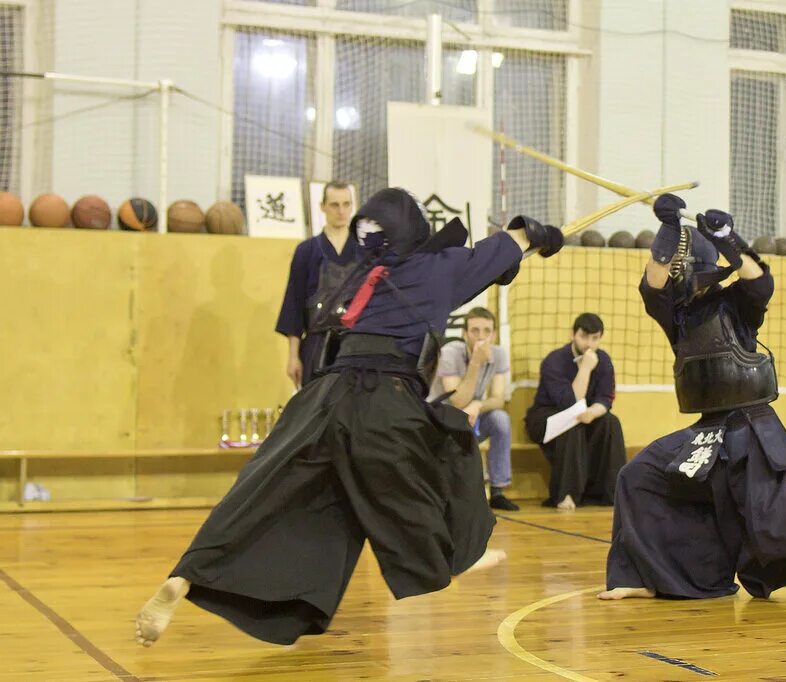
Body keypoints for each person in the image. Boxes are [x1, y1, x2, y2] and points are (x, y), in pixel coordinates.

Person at [134, 188, 564, 647]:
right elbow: (514, 239)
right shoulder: (440, 269)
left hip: (323, 396)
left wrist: (507, 260)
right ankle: (454, 554)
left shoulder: (366, 273)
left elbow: (461, 275)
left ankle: (187, 574)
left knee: (276, 495)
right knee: (440, 452)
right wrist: (540, 236)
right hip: (384, 396)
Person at [599, 194, 786, 607]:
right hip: (707, 432)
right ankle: (649, 577)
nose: (677, 277)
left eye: (684, 270)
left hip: (750, 429)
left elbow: (759, 280)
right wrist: (667, 229)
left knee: (778, 520)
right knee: (640, 478)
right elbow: (654, 282)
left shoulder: (736, 305)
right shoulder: (677, 316)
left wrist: (725, 237)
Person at [525, 313, 626, 511]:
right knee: (572, 424)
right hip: (546, 415)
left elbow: (606, 398)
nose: (589, 343)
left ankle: (612, 492)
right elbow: (569, 402)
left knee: (610, 422)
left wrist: (593, 412)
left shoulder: (604, 360)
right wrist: (586, 369)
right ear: (573, 334)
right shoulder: (554, 360)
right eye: (584, 336)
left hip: (583, 413)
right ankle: (566, 494)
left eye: (595, 338)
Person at [428, 306, 518, 511]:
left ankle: (497, 490)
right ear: (464, 333)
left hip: (472, 414)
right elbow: (457, 401)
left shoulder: (498, 354)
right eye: (475, 330)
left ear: (494, 334)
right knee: (458, 418)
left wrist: (478, 404)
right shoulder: (450, 353)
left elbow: (498, 399)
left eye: (487, 331)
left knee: (500, 419)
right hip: (442, 416)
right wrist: (476, 362)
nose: (481, 336)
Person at [275, 180, 359, 388]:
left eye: (346, 204)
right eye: (334, 205)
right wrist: (293, 356)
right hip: (316, 345)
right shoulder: (307, 251)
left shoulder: (364, 251)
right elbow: (294, 305)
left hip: (356, 346)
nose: (341, 211)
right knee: (316, 413)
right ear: (322, 206)